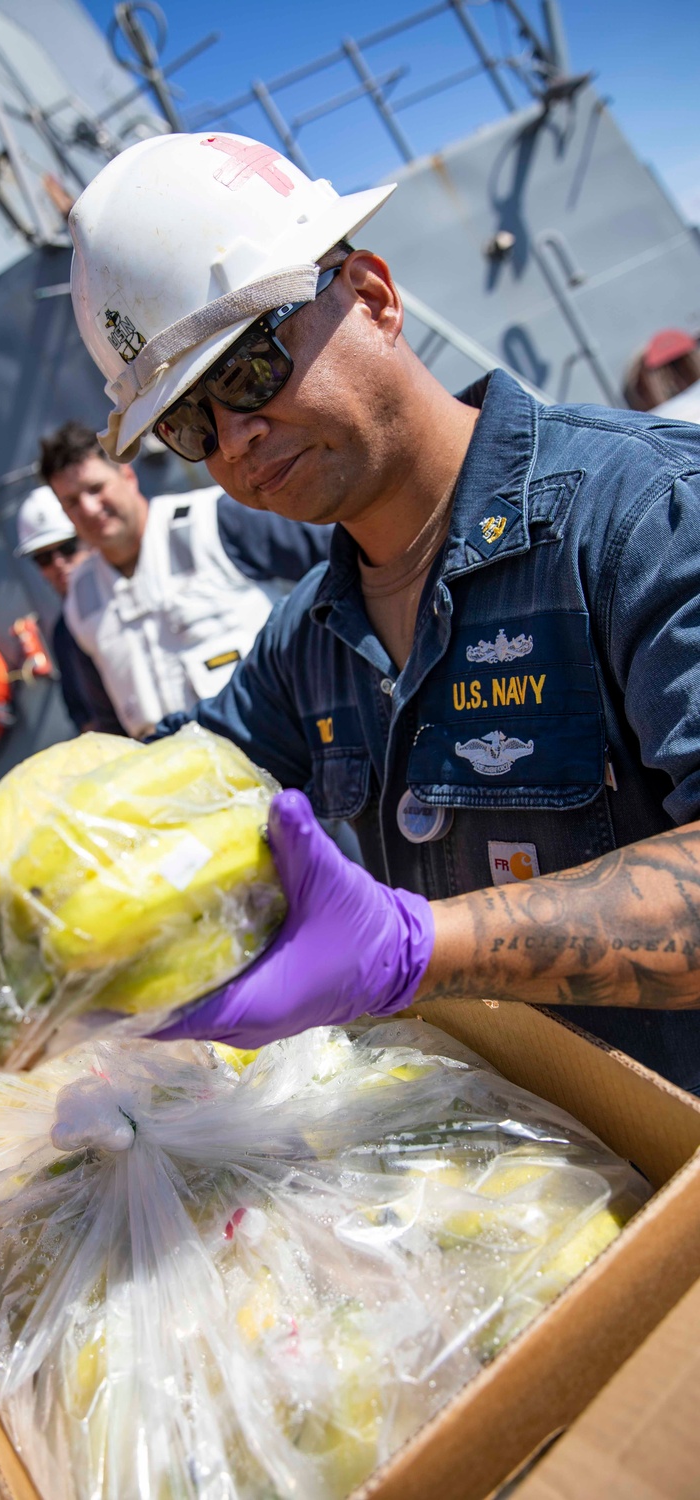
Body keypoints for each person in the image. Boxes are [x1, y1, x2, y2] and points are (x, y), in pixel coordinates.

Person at [66, 129, 700, 1093]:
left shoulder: (644, 516)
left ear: (372, 297)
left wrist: (421, 947)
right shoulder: (307, 645)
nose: (236, 438)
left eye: (245, 370)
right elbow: (181, 785)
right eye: (190, 423)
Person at [40, 421, 332, 738]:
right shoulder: (79, 602)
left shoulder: (215, 521)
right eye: (71, 502)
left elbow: (341, 561)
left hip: (292, 745)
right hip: (185, 779)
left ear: (128, 476)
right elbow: (107, 726)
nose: (89, 508)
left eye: (96, 488)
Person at [15, 486, 123, 735]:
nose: (58, 564)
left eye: (67, 548)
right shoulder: (63, 634)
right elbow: (83, 717)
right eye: (43, 558)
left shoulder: (129, 600)